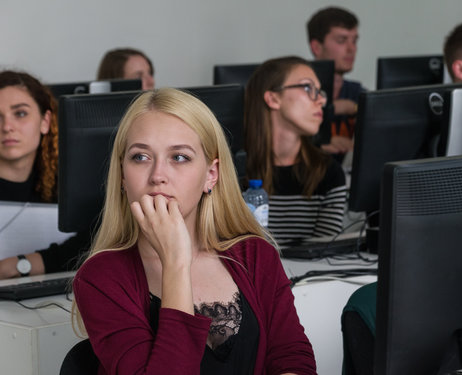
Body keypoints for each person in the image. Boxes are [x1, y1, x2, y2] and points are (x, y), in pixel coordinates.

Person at [72, 88, 316, 374]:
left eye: (179, 157)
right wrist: (176, 263)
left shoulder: (255, 255)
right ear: (123, 177)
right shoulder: (101, 277)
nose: (157, 176)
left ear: (210, 175)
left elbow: (292, 358)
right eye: (140, 157)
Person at [243, 56, 347, 245]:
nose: (322, 100)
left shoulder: (329, 172)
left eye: (320, 91)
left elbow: (323, 251)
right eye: (308, 88)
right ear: (273, 98)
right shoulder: (233, 172)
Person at [0, 70, 90, 279]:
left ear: (45, 121)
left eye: (20, 113)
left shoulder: (68, 186)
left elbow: (98, 241)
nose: (7, 127)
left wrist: (21, 265)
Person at [307, 6, 365, 158]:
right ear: (317, 47)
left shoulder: (358, 92)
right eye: (342, 40)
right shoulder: (300, 94)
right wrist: (317, 141)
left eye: (354, 40)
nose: (352, 49)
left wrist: (357, 108)